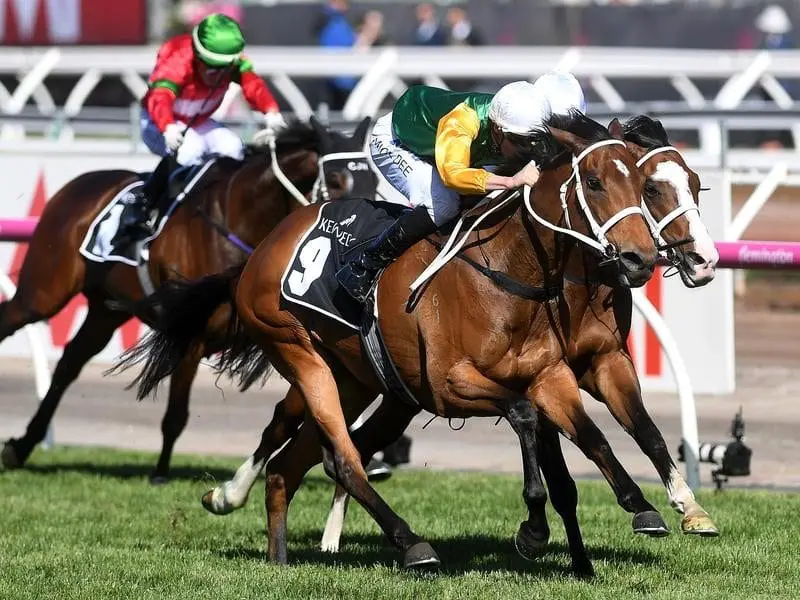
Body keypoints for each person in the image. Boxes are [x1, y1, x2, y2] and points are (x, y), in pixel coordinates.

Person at [335, 71, 586, 303]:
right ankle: (363, 266)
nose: (528, 149)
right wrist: (511, 181)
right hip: (396, 141)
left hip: (446, 151)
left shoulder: (519, 121)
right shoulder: (464, 120)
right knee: (443, 205)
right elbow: (453, 175)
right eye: (521, 142)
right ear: (498, 130)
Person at [120, 13, 285, 239]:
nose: (216, 74)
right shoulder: (178, 57)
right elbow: (161, 96)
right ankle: (146, 205)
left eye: (223, 69)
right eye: (211, 67)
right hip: (157, 121)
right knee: (190, 149)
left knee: (233, 147)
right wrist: (167, 126)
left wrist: (271, 112)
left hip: (197, 121)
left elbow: (253, 84)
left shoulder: (232, 62)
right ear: (197, 55)